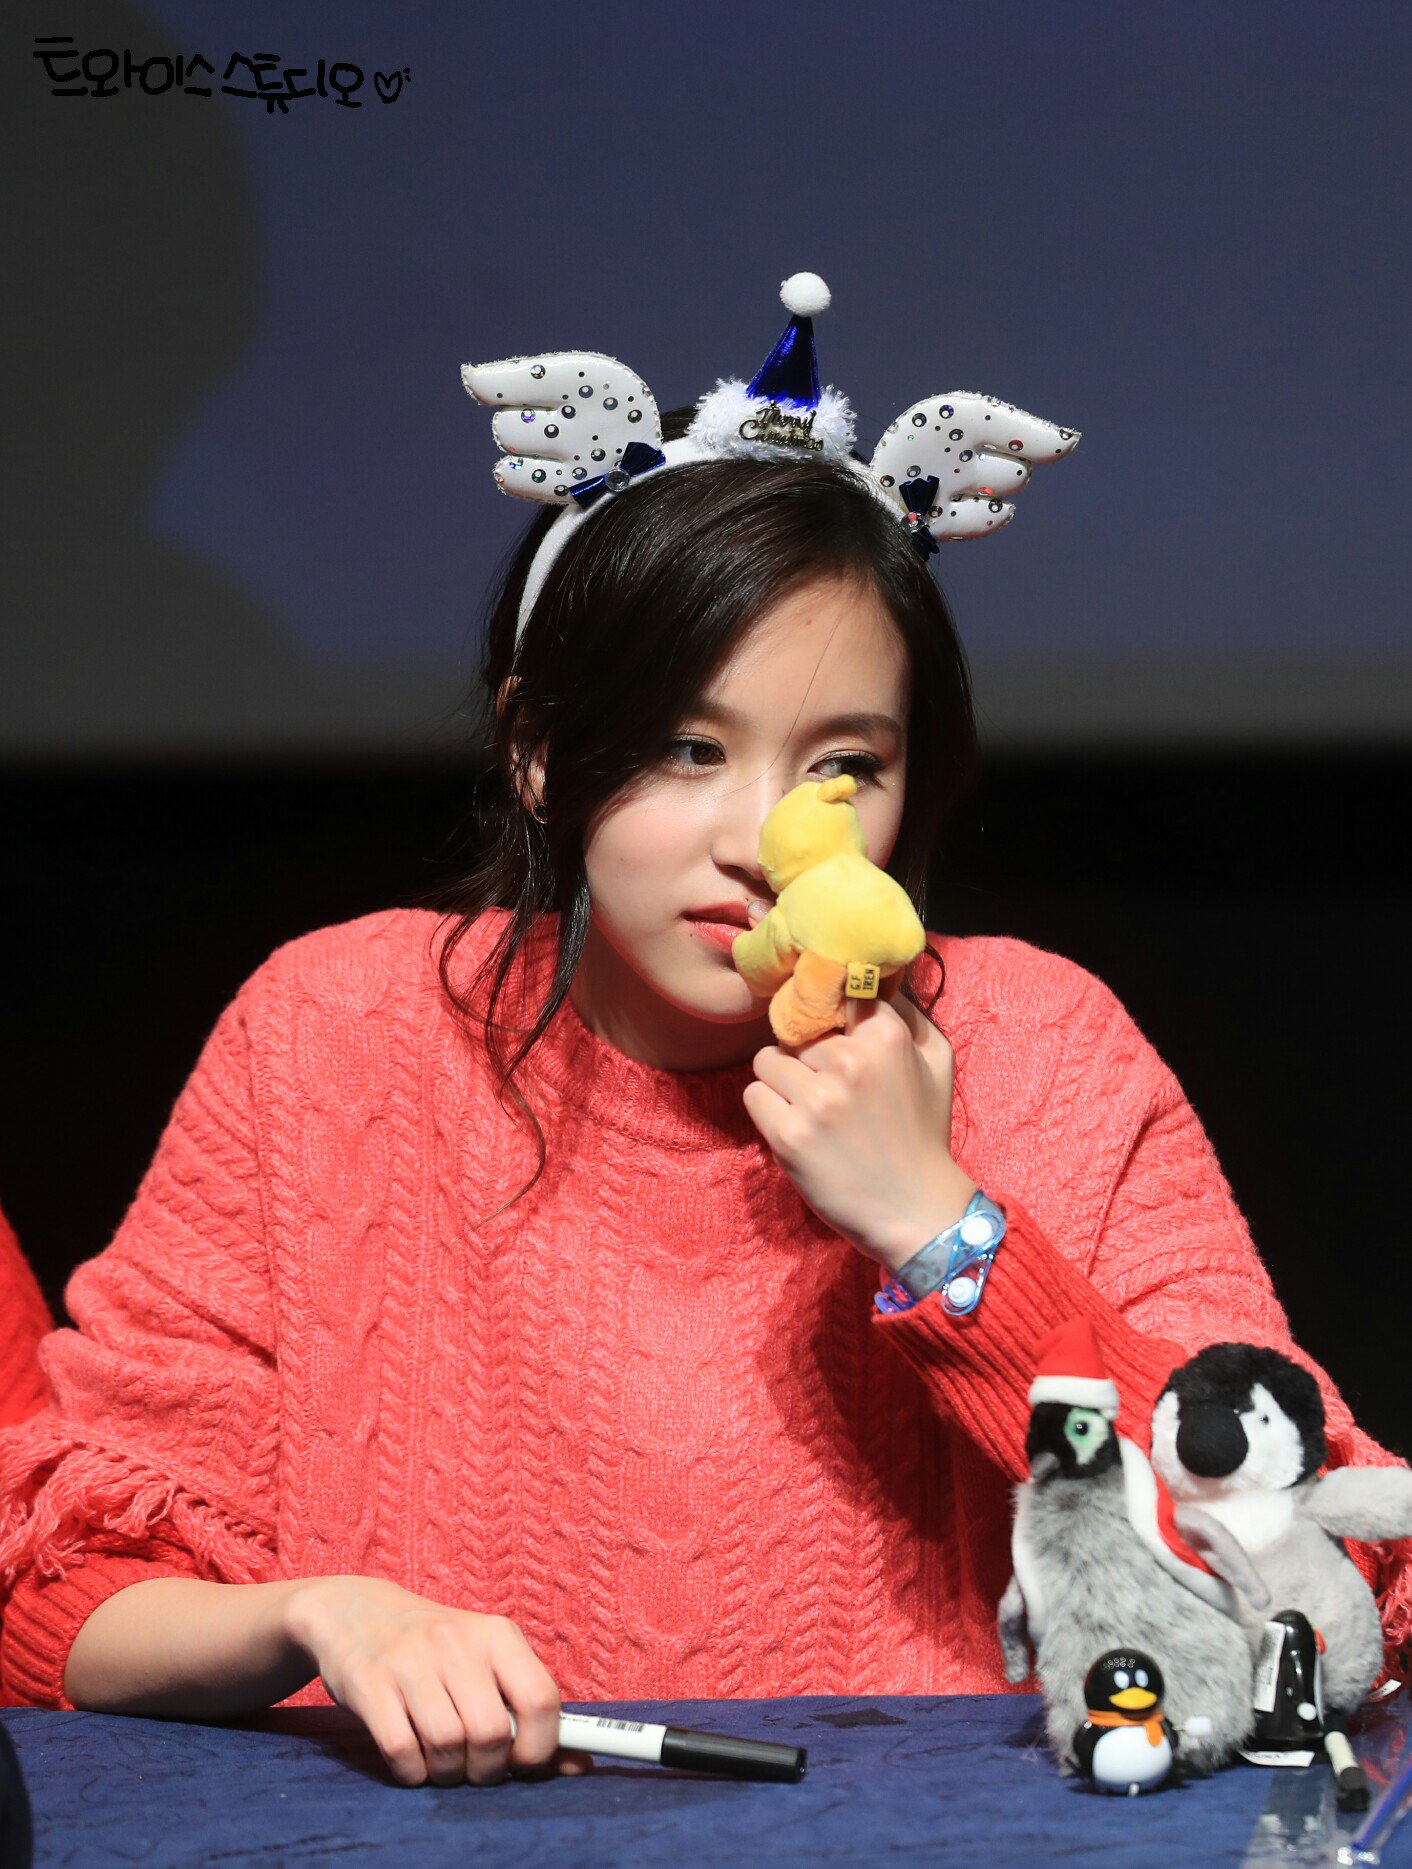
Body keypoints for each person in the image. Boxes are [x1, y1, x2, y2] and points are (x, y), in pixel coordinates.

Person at [1, 283, 1407, 1792]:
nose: (761, 837)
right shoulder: (335, 1032)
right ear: (539, 749)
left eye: (844, 764)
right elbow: (57, 1594)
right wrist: (314, 1614)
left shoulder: (1038, 1043)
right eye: (688, 747)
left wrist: (943, 1230)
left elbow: (1341, 1590)